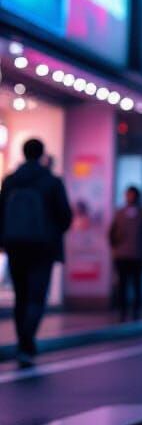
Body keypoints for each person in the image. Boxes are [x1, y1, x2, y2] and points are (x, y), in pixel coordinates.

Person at [0, 139, 72, 367]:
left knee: (20, 296)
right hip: (43, 247)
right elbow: (65, 216)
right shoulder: (51, 182)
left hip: (15, 245)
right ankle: (27, 343)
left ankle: (24, 342)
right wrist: (51, 233)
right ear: (42, 154)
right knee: (36, 296)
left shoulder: (10, 181)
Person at [108, 186, 142, 322]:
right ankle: (122, 312)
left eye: (132, 195)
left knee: (136, 284)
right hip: (121, 255)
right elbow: (111, 233)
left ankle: (135, 311)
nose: (130, 197)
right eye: (128, 194)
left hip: (137, 255)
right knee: (122, 284)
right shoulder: (120, 213)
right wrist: (115, 247)